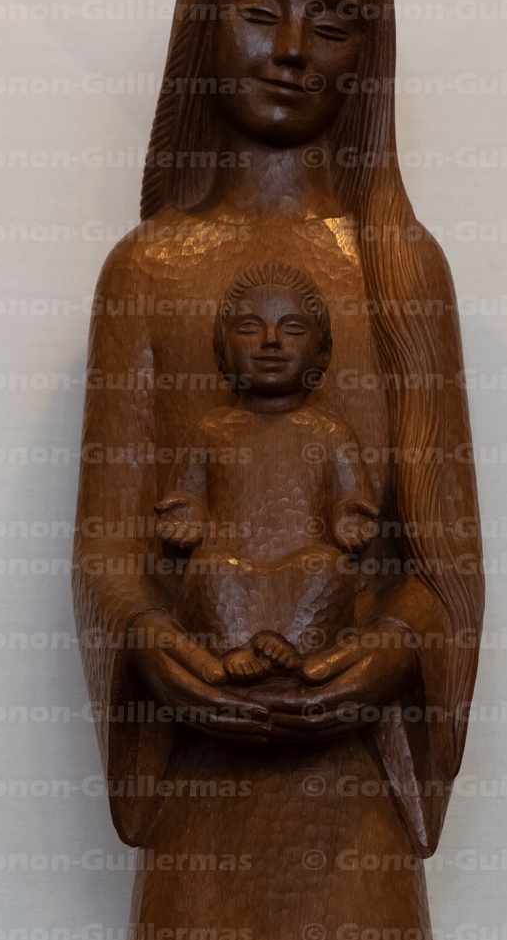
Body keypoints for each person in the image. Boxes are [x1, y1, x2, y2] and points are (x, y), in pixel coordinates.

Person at [73, 0, 484, 940]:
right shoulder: (146, 271)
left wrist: (391, 651)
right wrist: (154, 643)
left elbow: (445, 564)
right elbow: (108, 547)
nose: (294, 48)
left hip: (349, 790)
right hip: (202, 777)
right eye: (260, 10)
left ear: (366, 55)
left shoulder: (399, 270)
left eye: (333, 21)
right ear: (203, 26)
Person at [153, 262, 380, 684]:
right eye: (249, 328)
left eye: (292, 329)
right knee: (209, 566)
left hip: (303, 566)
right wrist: (185, 516)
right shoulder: (210, 431)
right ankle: (235, 647)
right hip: (231, 567)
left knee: (327, 566)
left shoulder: (331, 433)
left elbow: (353, 498)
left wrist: (349, 517)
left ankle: (296, 646)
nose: (271, 341)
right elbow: (186, 493)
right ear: (221, 351)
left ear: (323, 352)